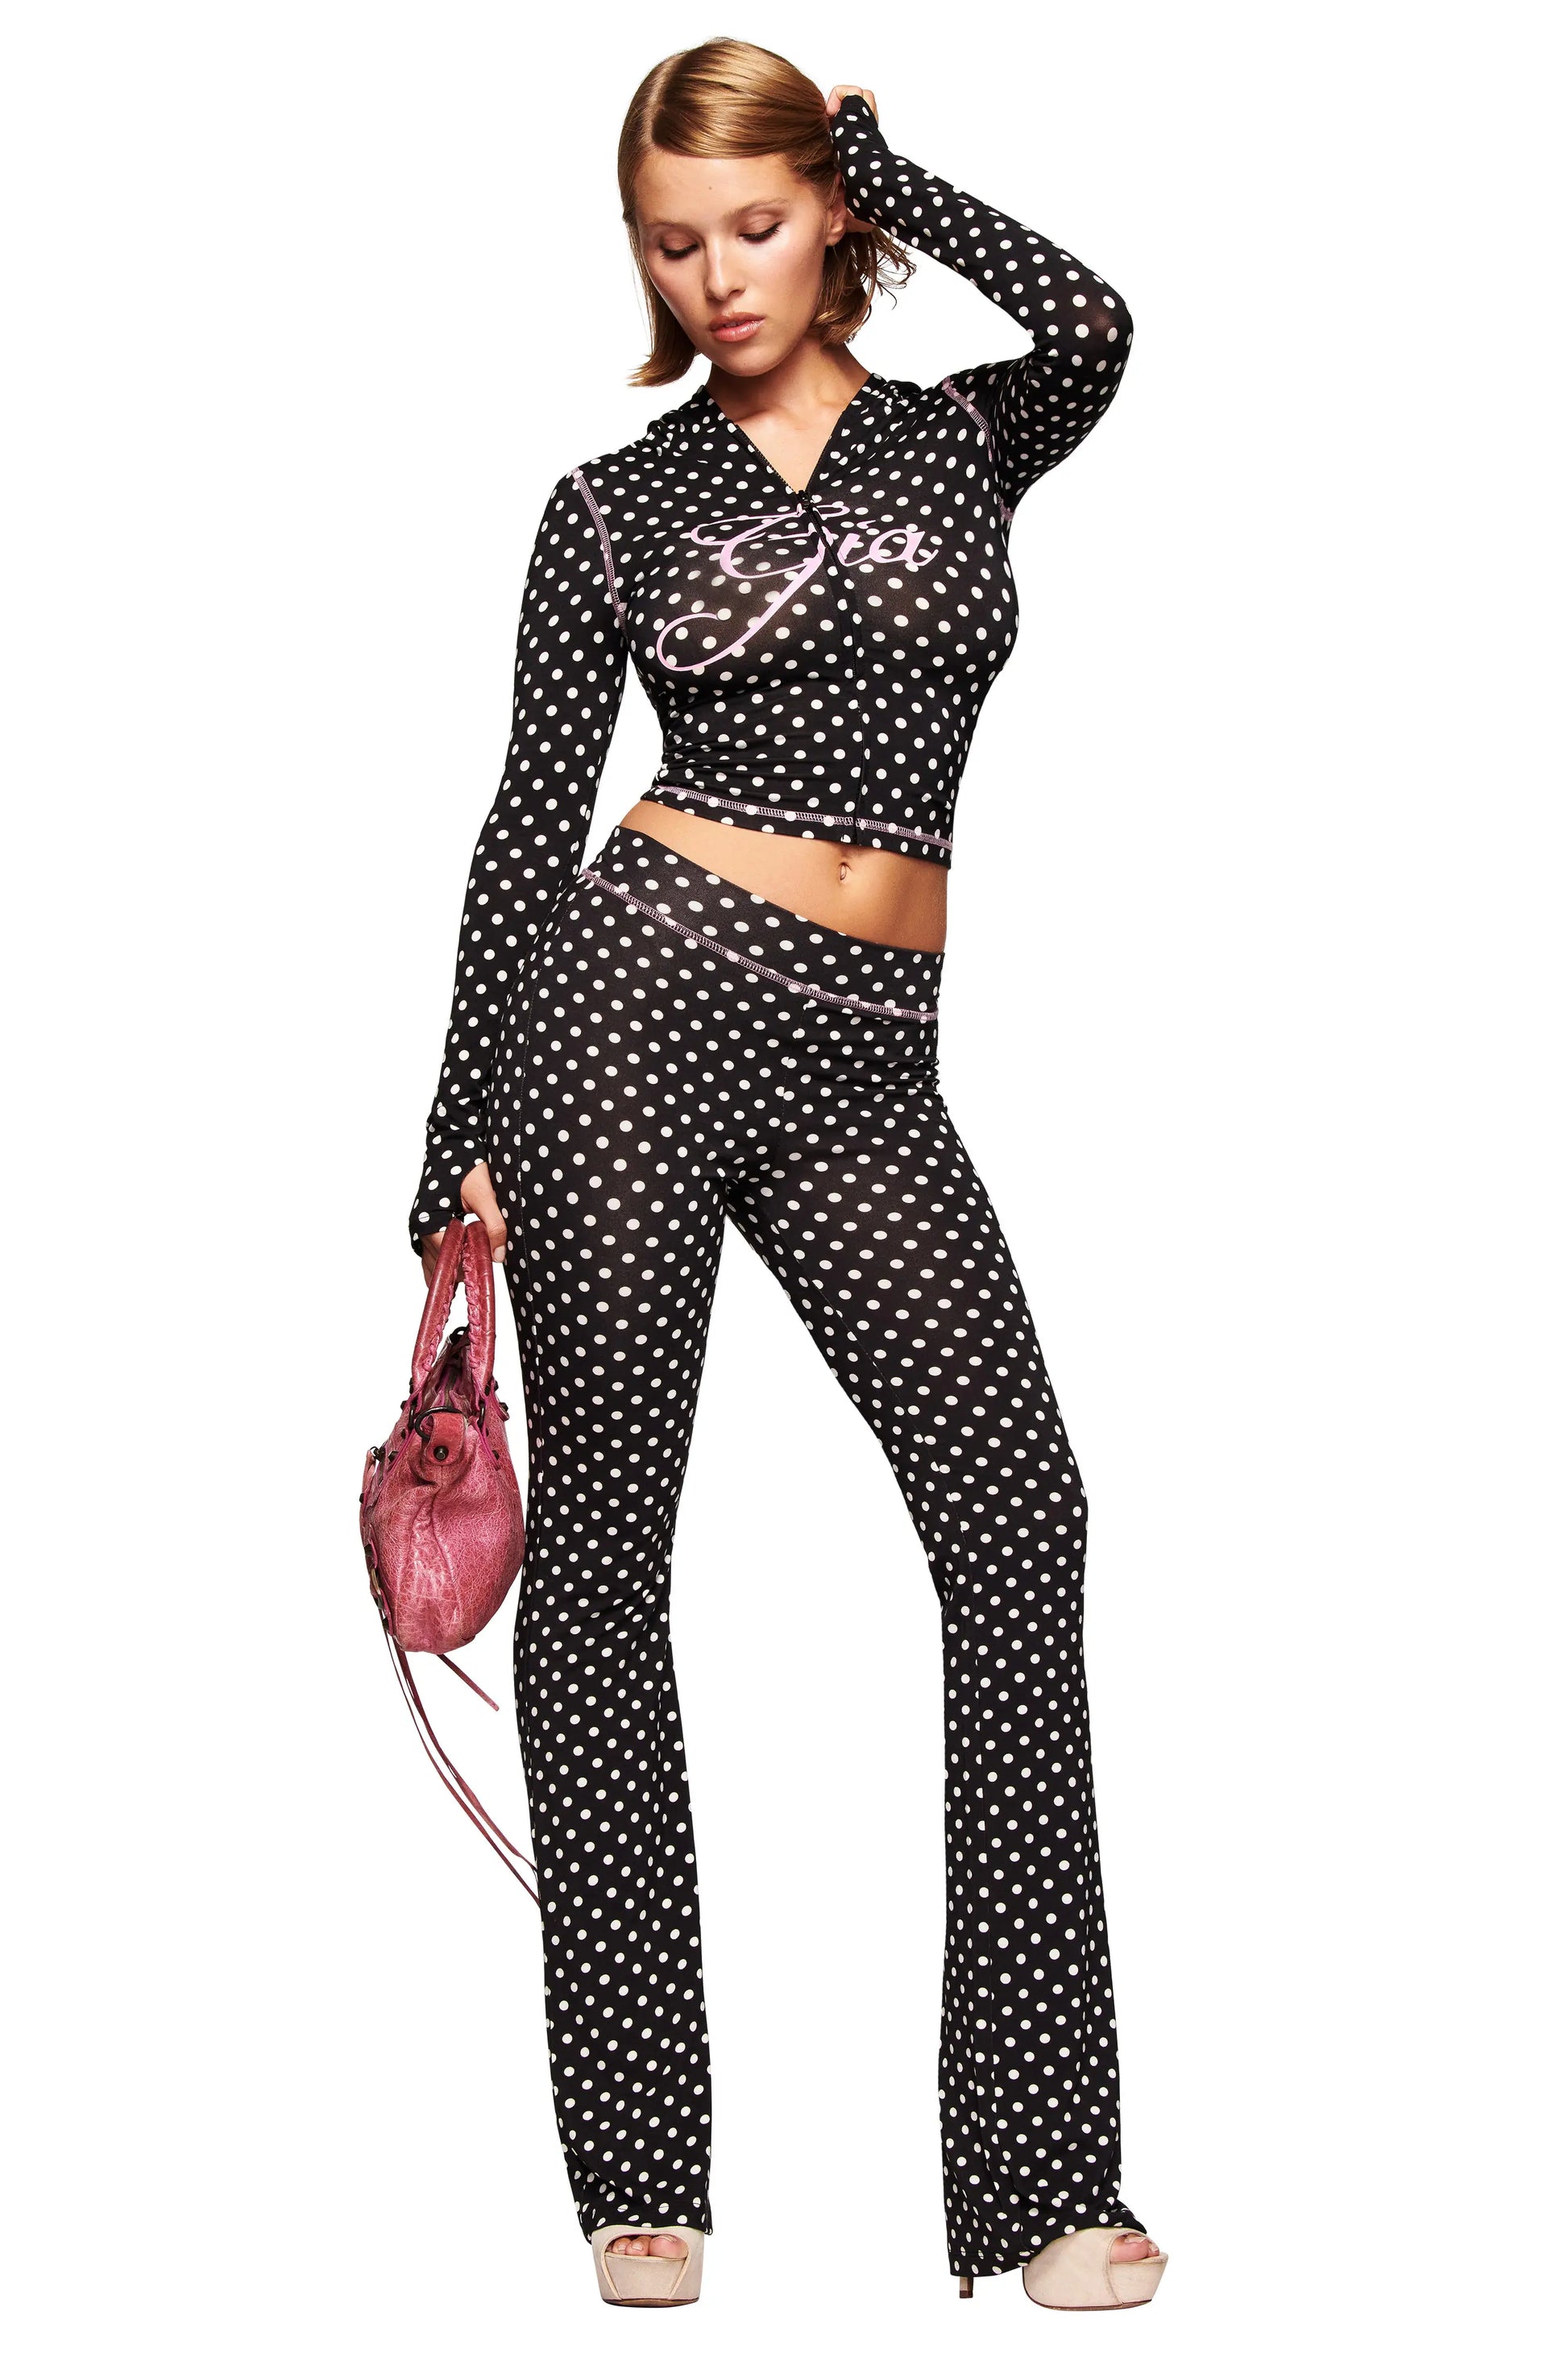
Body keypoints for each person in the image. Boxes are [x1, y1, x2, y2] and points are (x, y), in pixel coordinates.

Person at [410, 37, 1164, 2312]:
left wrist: (887, 165)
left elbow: (1098, 324)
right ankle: (640, 2169)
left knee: (1019, 1523)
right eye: (673, 241)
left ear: (824, 213)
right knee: (608, 1567)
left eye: (755, 223)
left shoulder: (963, 438)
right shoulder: (610, 504)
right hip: (628, 1015)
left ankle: (1045, 2181)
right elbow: (529, 815)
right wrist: (454, 1134)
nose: (718, 277)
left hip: (866, 1060)